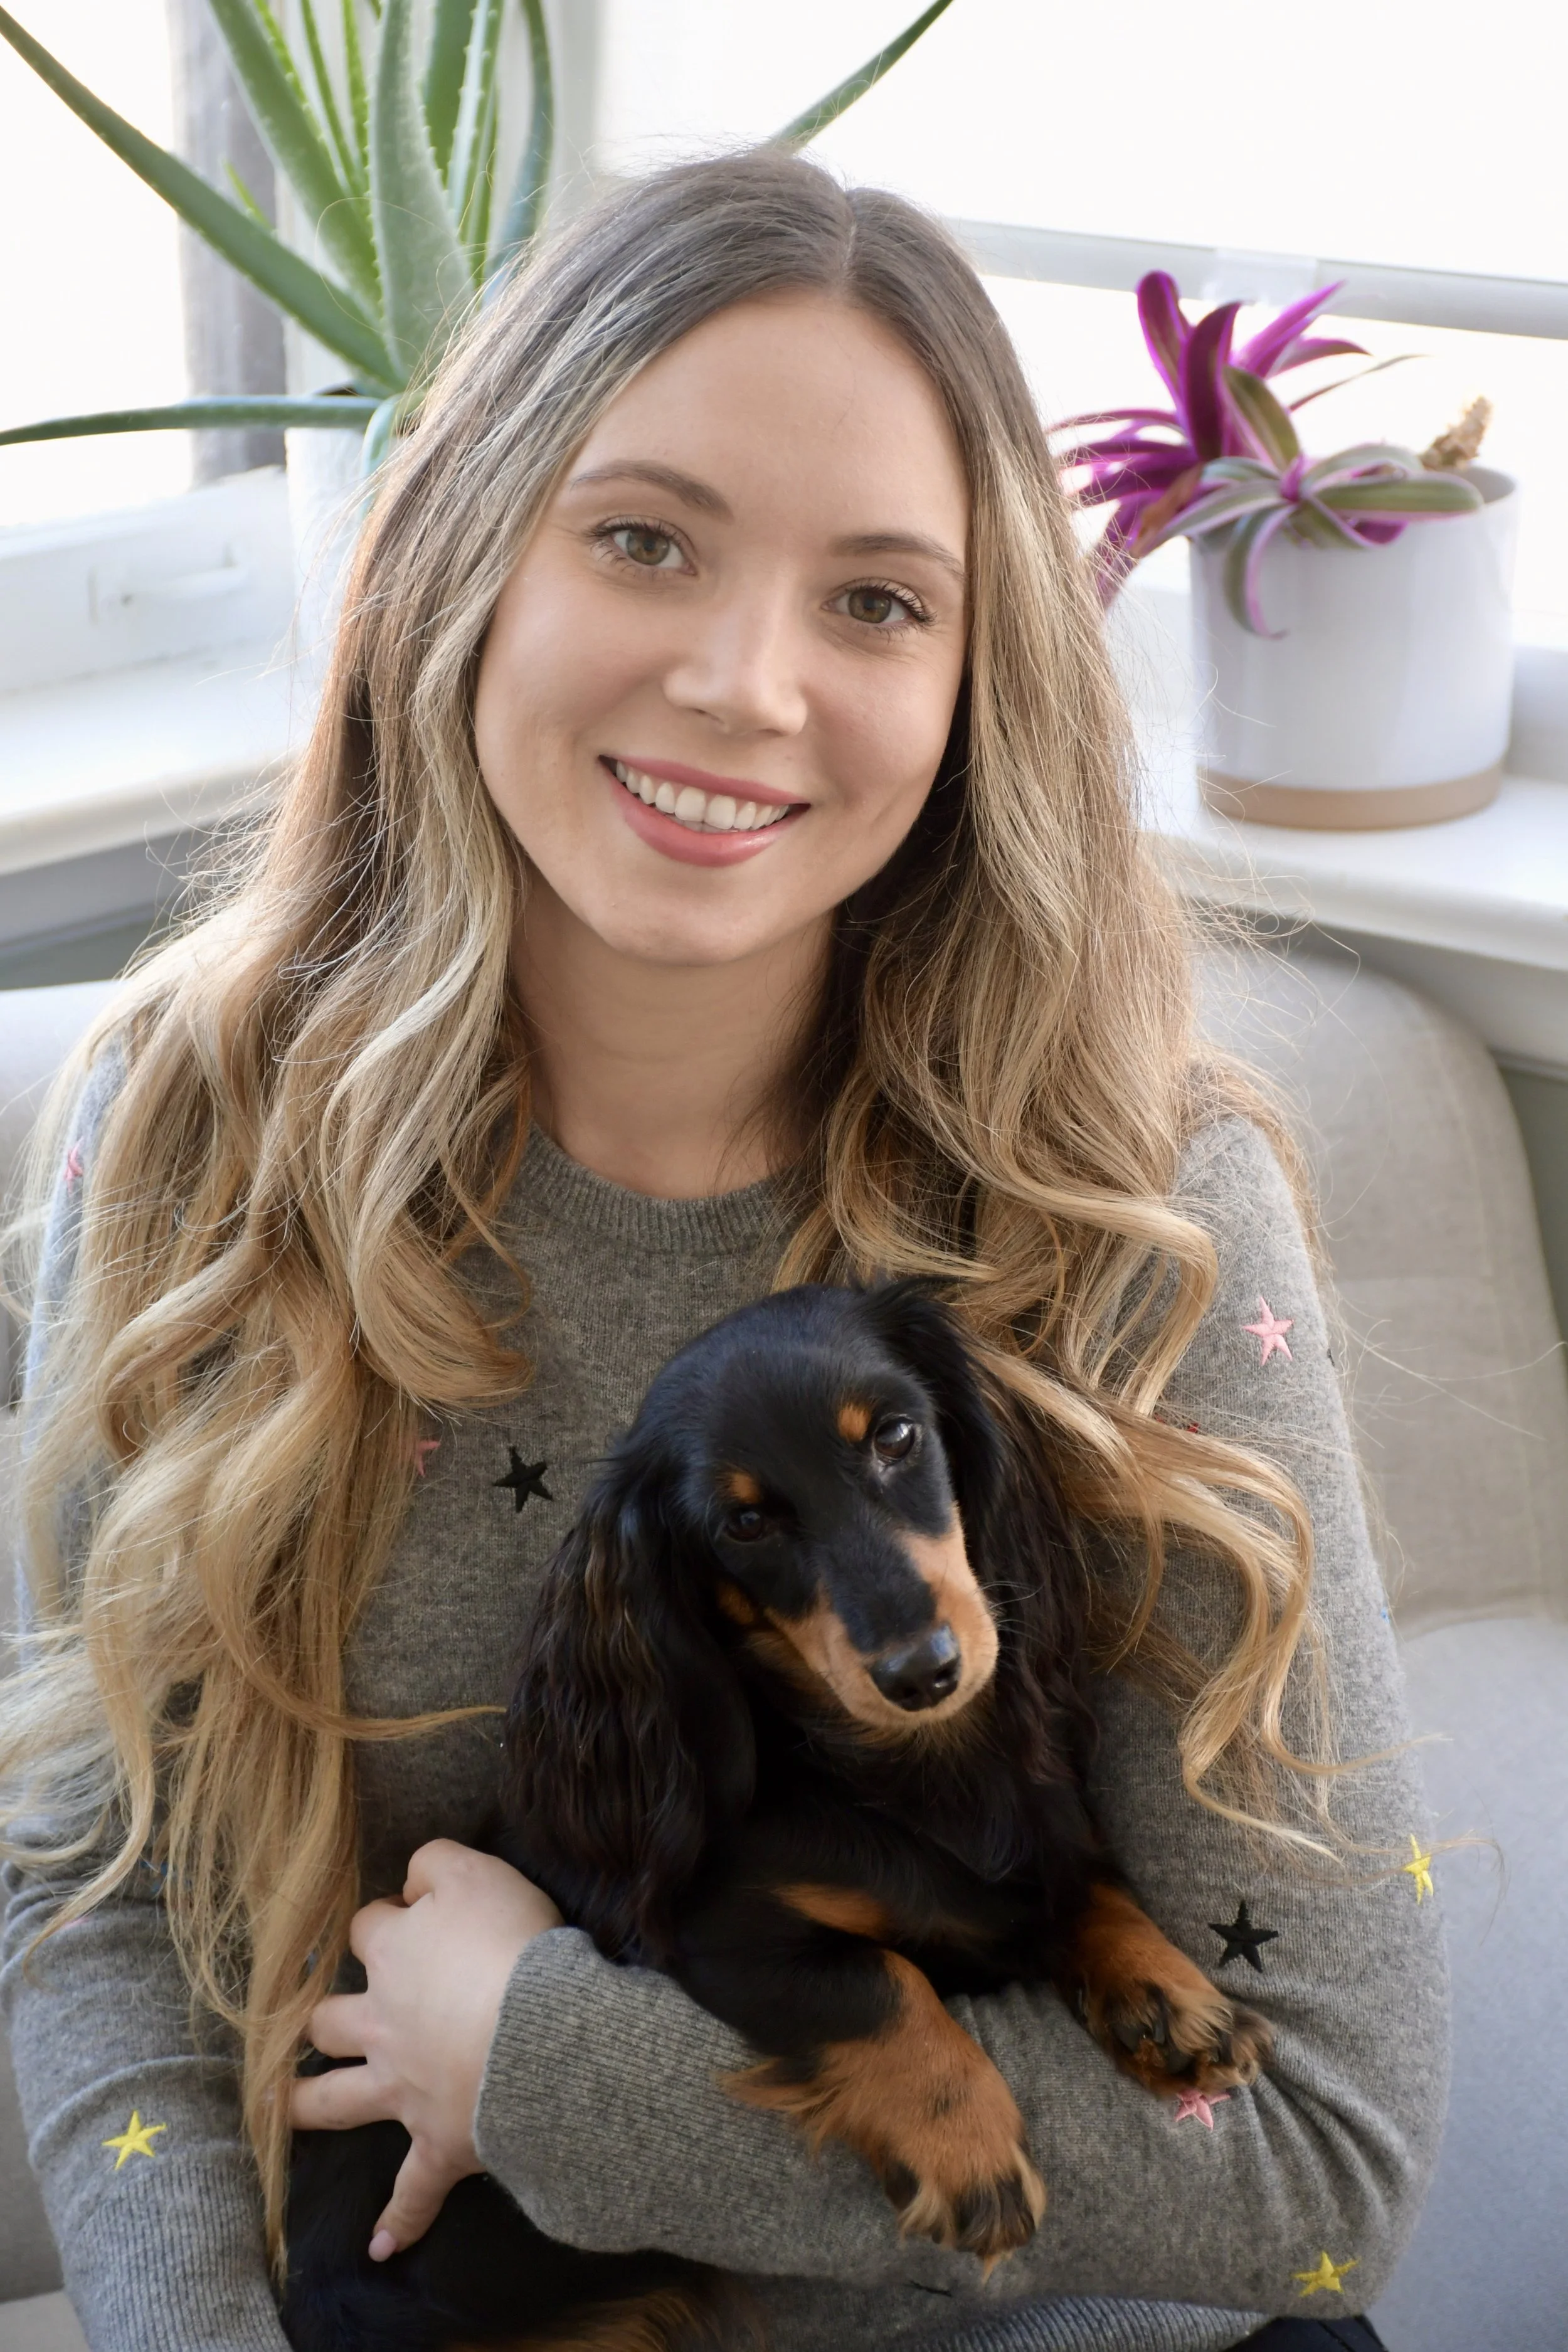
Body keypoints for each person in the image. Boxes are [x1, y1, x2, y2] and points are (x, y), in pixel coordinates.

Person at [1, 149, 1443, 2352]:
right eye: (644, 539)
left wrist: (543, 2062)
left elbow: (1323, 2164)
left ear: (973, 680)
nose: (746, 682)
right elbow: (98, 1888)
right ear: (467, 554)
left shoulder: (1132, 1195)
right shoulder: (197, 1130)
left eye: (875, 600)